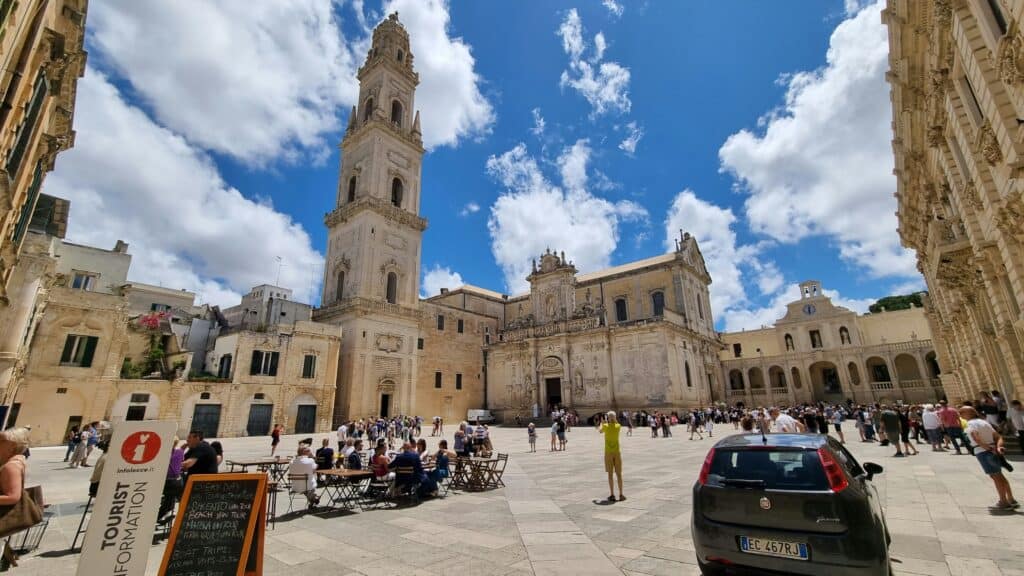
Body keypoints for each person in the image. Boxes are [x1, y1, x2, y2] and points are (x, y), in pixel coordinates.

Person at [961, 405, 1017, 509]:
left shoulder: (970, 424)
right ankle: (1011, 498)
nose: (960, 414)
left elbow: (976, 438)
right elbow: (998, 436)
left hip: (983, 452)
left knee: (996, 477)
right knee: (999, 476)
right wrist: (999, 447)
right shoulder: (984, 422)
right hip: (991, 449)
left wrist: (989, 449)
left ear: (968, 414)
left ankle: (1003, 501)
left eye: (961, 412)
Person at [0, 428, 31, 565]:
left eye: (2, 441)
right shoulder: (15, 461)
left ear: (12, 445)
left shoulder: (11, 466)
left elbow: (13, 496)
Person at [599, 411, 625, 502]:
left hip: (608, 453)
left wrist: (602, 423)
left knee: (610, 474)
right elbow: (617, 423)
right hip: (617, 452)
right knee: (619, 474)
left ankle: (612, 494)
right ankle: (621, 494)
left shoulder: (605, 426)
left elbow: (600, 431)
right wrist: (613, 418)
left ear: (608, 418)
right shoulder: (618, 427)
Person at [158, 437, 185, 524]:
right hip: (177, 482)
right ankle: (180, 514)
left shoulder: (163, 454)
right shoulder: (180, 452)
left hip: (166, 483)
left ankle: (160, 516)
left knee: (169, 498)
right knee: (176, 497)